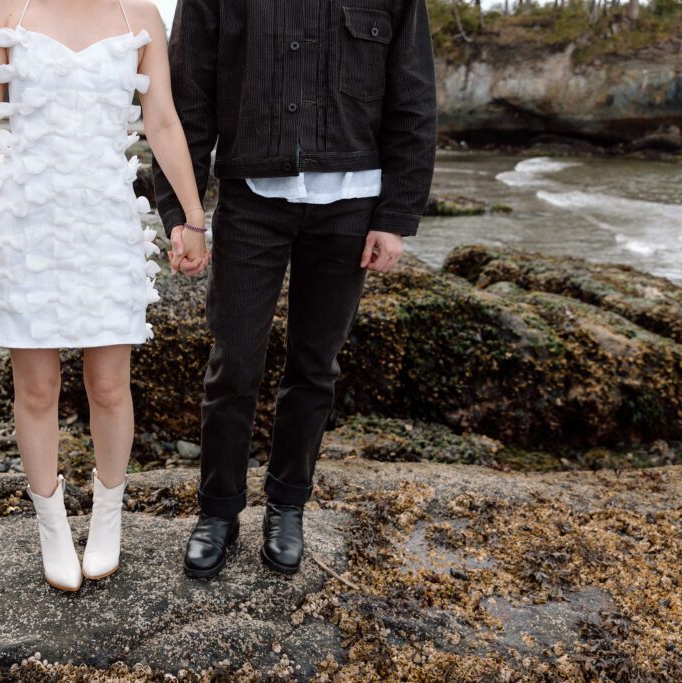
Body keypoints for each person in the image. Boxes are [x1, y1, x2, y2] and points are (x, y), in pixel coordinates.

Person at [153, 0, 437, 578]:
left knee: (315, 366)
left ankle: (287, 506)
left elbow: (413, 98)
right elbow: (188, 98)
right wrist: (183, 214)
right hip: (252, 197)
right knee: (233, 362)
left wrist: (396, 214)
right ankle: (219, 511)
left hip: (353, 206)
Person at [0, 0, 209, 592]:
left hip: (104, 217)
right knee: (36, 388)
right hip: (26, 215)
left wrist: (193, 215)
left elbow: (161, 120)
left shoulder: (140, 15)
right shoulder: (7, 8)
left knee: (110, 385)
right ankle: (52, 526)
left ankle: (109, 516)